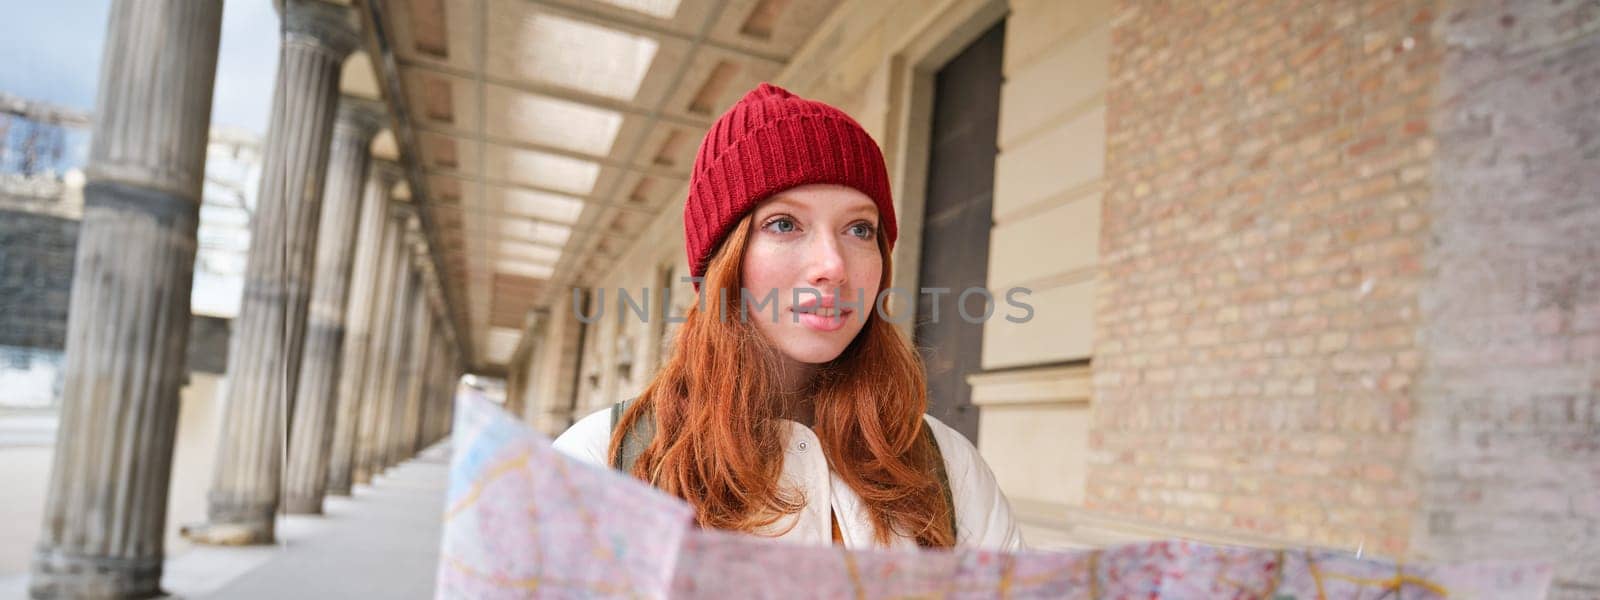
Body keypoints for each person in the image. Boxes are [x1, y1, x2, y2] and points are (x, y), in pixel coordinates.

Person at [554, 82, 1023, 551]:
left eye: (859, 229)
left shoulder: (948, 468)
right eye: (784, 224)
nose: (834, 266)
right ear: (723, 262)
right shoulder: (598, 464)